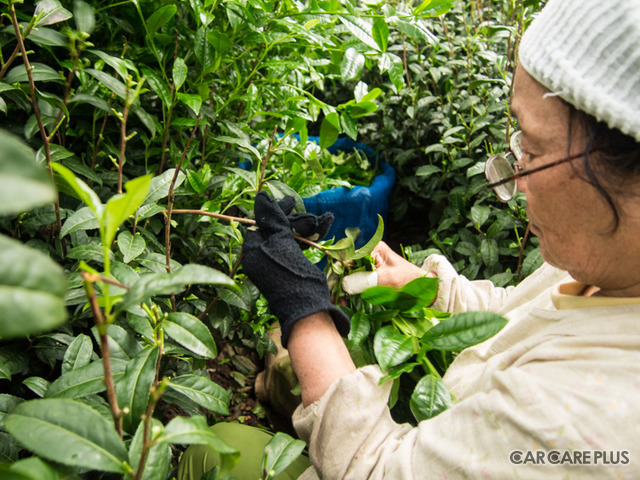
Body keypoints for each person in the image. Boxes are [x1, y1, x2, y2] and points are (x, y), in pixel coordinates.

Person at [181, 0, 640, 477]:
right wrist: (431, 288)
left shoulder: (594, 422)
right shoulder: (613, 263)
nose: (514, 181)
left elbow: (377, 469)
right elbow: (521, 313)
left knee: (210, 452)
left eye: (533, 147)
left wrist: (303, 307)